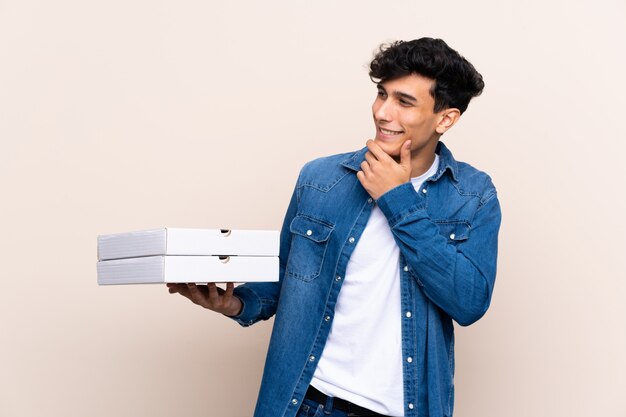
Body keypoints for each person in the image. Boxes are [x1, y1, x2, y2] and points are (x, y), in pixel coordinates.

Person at [167, 37, 501, 417]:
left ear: (446, 118)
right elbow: (284, 279)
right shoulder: (321, 179)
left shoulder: (474, 196)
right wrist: (236, 303)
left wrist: (398, 199)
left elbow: (469, 302)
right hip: (306, 405)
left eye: (404, 102)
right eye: (381, 95)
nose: (382, 113)